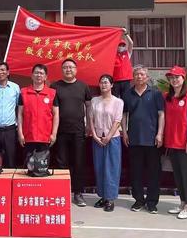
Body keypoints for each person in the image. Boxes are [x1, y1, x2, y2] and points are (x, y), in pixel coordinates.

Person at [122, 66, 165, 213]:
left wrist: (160, 133)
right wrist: (125, 133)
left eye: (142, 74)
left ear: (147, 77)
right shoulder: (128, 94)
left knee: (154, 172)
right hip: (134, 139)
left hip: (152, 139)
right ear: (133, 77)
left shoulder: (155, 93)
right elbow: (124, 115)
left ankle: (152, 202)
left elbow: (161, 114)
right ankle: (139, 200)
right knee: (136, 171)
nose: (139, 76)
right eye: (136, 74)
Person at [50, 59, 92, 207]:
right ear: (62, 70)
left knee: (79, 162)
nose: (68, 69)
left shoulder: (83, 86)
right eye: (65, 67)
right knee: (61, 162)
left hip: (79, 130)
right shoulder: (55, 86)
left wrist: (89, 126)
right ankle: (62, 192)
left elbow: (88, 107)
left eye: (71, 67)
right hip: (60, 131)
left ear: (76, 69)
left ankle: (78, 193)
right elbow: (52, 110)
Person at [163, 66, 187, 219]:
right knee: (177, 175)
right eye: (171, 77)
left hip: (185, 143)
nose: (174, 80)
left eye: (177, 77)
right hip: (171, 141)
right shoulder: (167, 97)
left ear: (183, 78)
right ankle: (182, 203)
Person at [88, 74, 123, 212]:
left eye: (106, 82)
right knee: (100, 168)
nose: (104, 85)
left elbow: (117, 120)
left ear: (112, 85)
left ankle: (110, 199)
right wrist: (95, 135)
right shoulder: (94, 100)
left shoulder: (118, 102)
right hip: (97, 138)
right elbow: (91, 119)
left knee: (112, 169)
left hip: (112, 138)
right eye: (101, 82)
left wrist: (108, 136)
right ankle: (102, 196)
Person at [17, 64, 59, 162]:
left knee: (42, 167)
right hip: (28, 136)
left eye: (41, 73)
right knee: (29, 166)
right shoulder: (23, 92)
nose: (38, 75)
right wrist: (20, 133)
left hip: (45, 136)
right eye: (36, 73)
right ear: (31, 75)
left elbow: (56, 114)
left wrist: (54, 133)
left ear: (45, 77)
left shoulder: (52, 93)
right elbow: (20, 114)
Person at [112, 28, 134, 99]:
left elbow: (131, 43)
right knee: (115, 98)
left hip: (126, 80)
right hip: (115, 80)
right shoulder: (113, 55)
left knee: (126, 98)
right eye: (120, 45)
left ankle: (125, 110)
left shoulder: (127, 53)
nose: (121, 47)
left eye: (123, 45)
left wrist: (126, 33)